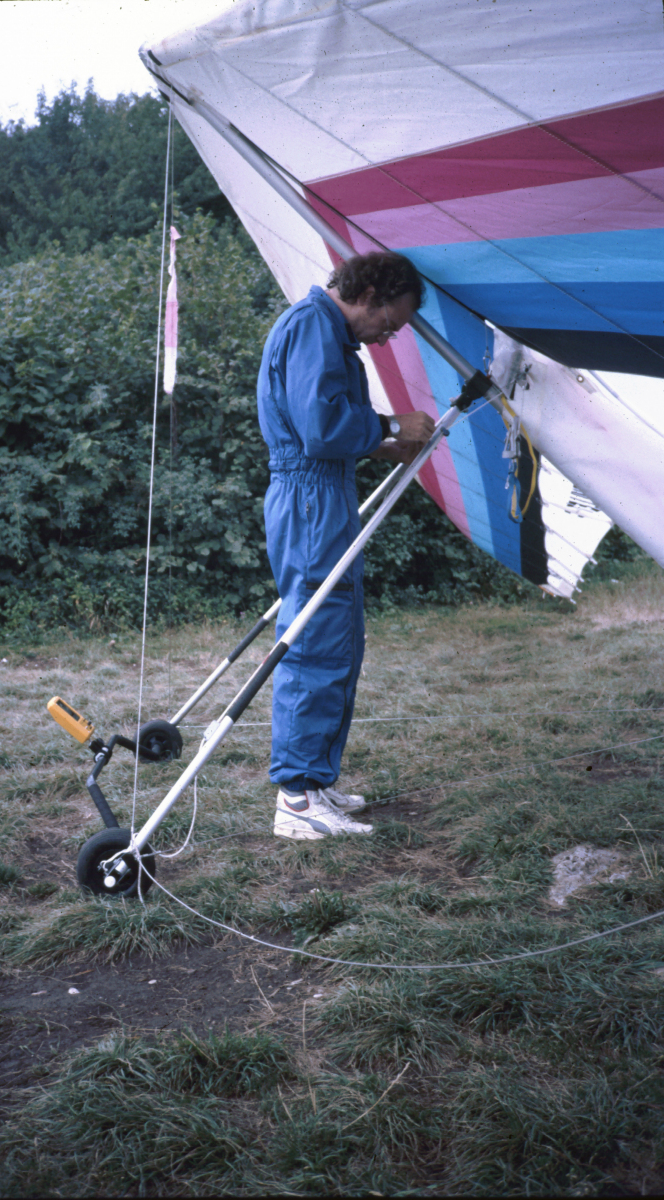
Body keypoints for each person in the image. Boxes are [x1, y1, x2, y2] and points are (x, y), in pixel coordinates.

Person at [257, 251, 436, 841]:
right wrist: (390, 426)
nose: (388, 335)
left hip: (322, 494)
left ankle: (314, 778)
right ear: (372, 295)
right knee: (316, 640)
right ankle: (297, 799)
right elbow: (319, 427)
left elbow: (322, 427)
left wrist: (381, 445)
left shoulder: (328, 333)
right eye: (391, 322)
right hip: (310, 500)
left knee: (338, 638)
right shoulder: (312, 325)